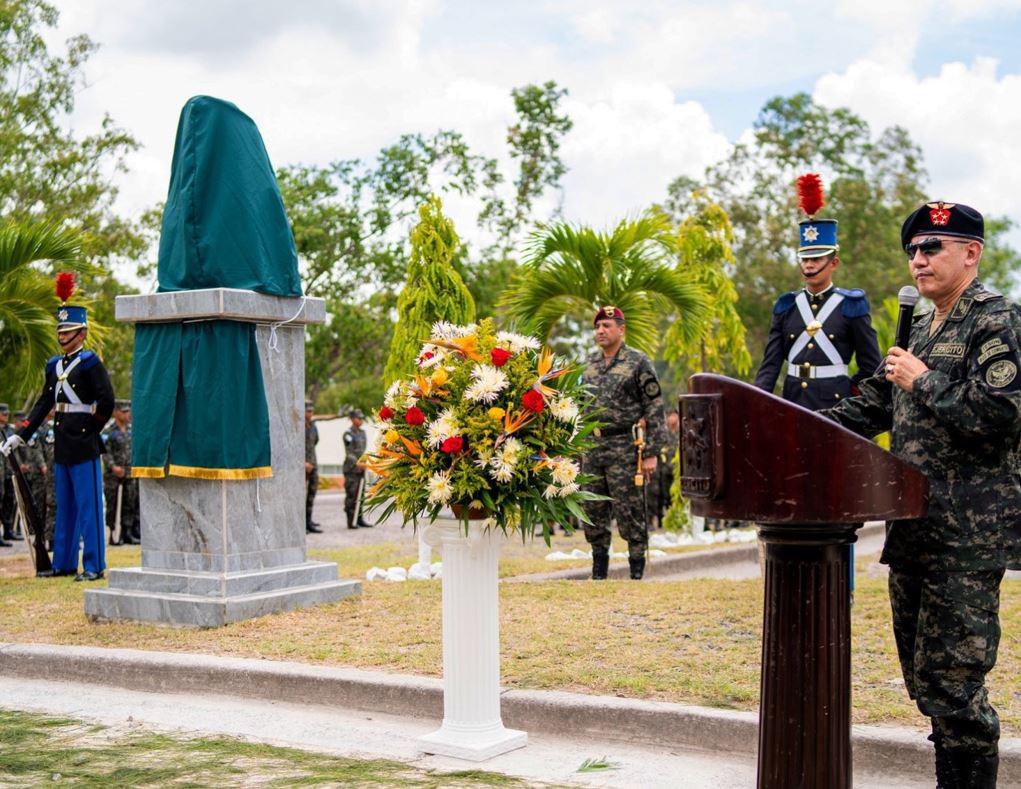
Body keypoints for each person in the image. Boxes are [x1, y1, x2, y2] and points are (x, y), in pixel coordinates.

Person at [823, 201, 1021, 788]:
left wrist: (924, 379)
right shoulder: (918, 323)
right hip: (913, 527)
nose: (918, 259)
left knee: (956, 680)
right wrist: (802, 421)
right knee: (926, 678)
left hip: (967, 532)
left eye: (932, 248)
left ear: (971, 253)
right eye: (913, 250)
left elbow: (1003, 413)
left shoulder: (994, 319)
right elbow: (879, 404)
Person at [1, 296, 115, 580]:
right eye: (60, 332)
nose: (62, 336)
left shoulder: (90, 363)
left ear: (82, 333)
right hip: (62, 442)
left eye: (68, 332)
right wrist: (21, 435)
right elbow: (43, 404)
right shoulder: (54, 365)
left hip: (84, 443)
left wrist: (91, 429)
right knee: (64, 506)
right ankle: (63, 563)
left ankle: (94, 565)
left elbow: (107, 400)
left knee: (89, 508)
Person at [754, 175, 882, 410]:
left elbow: (870, 366)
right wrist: (757, 402)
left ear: (833, 263)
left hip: (835, 406)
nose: (809, 265)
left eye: (816, 258)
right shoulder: (787, 306)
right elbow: (770, 365)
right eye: (805, 258)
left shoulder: (851, 305)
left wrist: (849, 393)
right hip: (793, 402)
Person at [580, 305, 667, 580]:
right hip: (592, 448)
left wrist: (652, 452)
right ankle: (599, 568)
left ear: (621, 329)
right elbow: (580, 407)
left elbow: (654, 407)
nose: (601, 331)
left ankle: (636, 568)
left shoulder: (638, 362)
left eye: (607, 326)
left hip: (624, 447)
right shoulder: (589, 365)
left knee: (628, 508)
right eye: (597, 327)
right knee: (592, 507)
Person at [103, 400, 139, 545]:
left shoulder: (131, 430)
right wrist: (113, 467)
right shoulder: (108, 431)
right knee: (112, 504)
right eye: (123, 411)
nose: (127, 414)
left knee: (129, 503)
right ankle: (113, 534)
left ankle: (127, 532)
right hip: (113, 474)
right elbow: (105, 452)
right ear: (116, 412)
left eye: (128, 411)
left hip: (129, 472)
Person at [342, 409, 371, 529]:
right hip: (351, 469)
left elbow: (363, 451)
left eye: (362, 418)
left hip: (361, 468)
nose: (361, 420)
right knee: (352, 495)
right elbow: (349, 453)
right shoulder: (348, 434)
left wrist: (364, 463)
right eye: (359, 418)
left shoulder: (362, 433)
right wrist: (357, 463)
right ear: (353, 419)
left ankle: (359, 519)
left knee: (361, 495)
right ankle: (350, 521)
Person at [304, 400, 322, 534]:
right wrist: (303, 462)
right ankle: (301, 524)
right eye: (307, 410)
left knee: (311, 494)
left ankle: (308, 521)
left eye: (311, 411)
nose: (310, 413)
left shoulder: (313, 426)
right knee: (301, 496)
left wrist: (311, 462)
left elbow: (315, 442)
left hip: (313, 464)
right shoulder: (298, 426)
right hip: (302, 466)